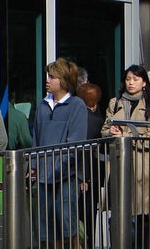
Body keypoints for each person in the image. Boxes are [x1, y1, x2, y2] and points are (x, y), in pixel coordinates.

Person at [31, 57, 87, 248]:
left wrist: (56, 168)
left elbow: (76, 143)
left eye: (52, 77)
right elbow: (36, 139)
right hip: (44, 176)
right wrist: (34, 166)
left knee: (67, 225)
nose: (47, 80)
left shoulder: (77, 105)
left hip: (66, 177)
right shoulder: (42, 105)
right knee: (47, 228)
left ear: (62, 80)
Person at [101, 64, 150, 247]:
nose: (131, 83)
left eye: (135, 79)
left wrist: (126, 136)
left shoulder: (148, 102)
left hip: (142, 168)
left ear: (144, 82)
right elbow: (104, 130)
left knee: (141, 215)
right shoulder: (115, 103)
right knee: (120, 213)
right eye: (128, 79)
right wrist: (111, 132)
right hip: (119, 165)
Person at [76, 82, 105, 247]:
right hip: (88, 178)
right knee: (87, 219)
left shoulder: (74, 119)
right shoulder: (97, 122)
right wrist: (86, 177)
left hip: (77, 175)